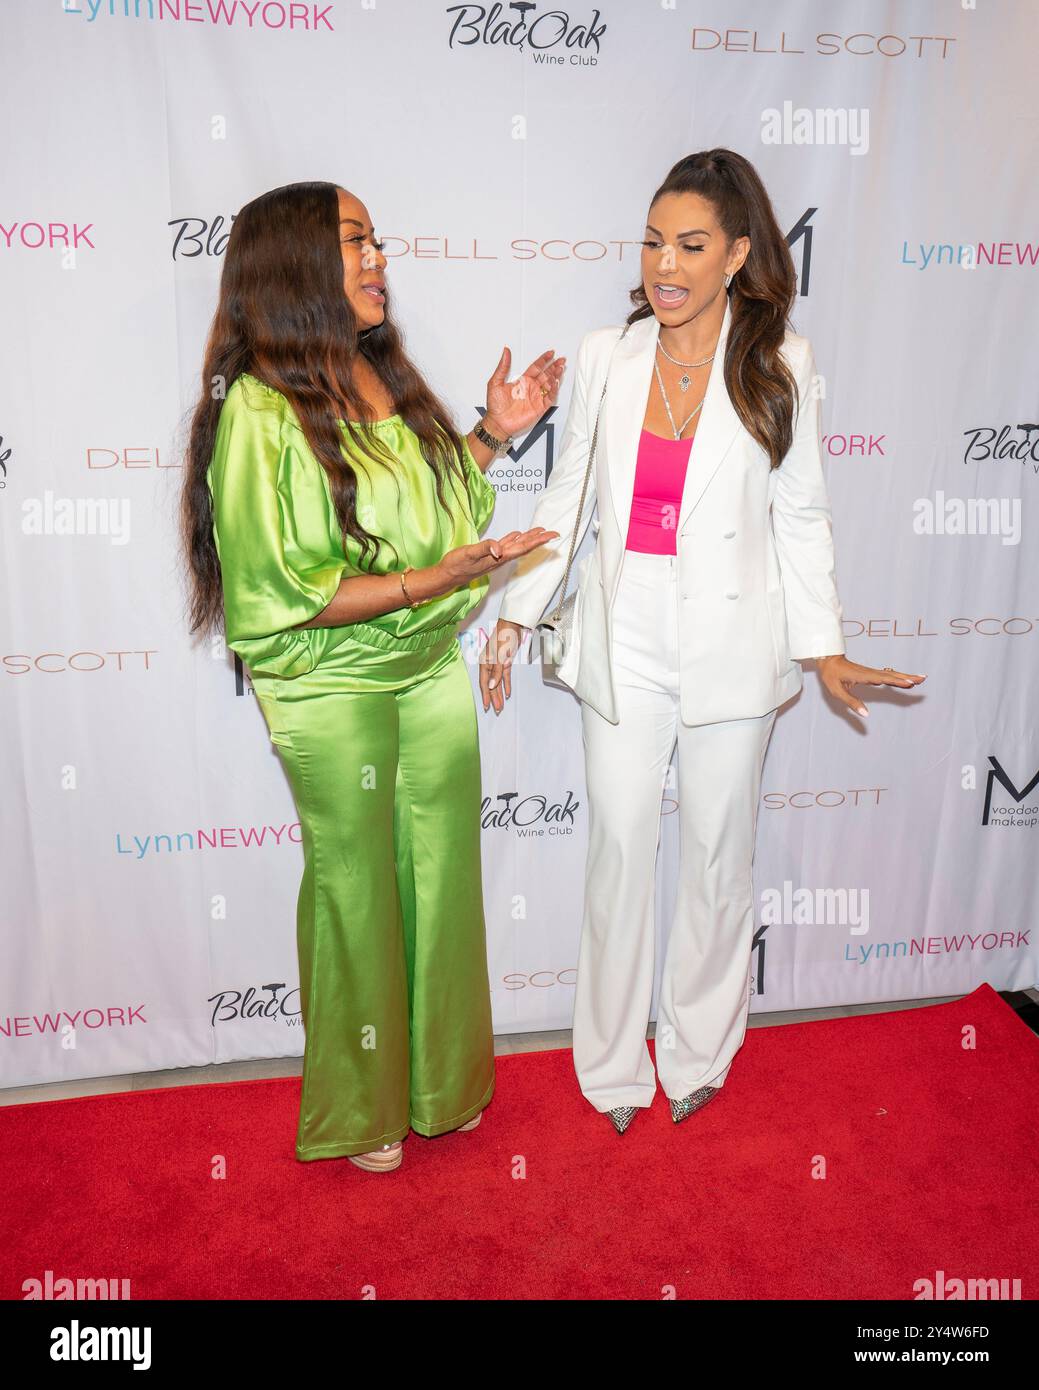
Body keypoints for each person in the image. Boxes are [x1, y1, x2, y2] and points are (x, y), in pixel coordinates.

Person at [479, 149, 926, 1134]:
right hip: (624, 633)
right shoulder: (607, 354)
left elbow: (801, 515)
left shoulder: (782, 364)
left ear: (736, 254)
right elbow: (569, 499)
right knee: (619, 847)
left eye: (688, 246)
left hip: (733, 644)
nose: (663, 266)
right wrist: (515, 612)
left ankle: (697, 1047)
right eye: (651, 243)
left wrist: (823, 647)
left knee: (720, 853)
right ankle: (607, 1065)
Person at [181, 181, 561, 1171]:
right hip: (327, 683)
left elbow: (433, 518)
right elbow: (281, 593)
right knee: (357, 888)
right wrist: (433, 579)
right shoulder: (259, 411)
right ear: (297, 264)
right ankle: (362, 1108)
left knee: (441, 879)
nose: (378, 256)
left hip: (426, 669)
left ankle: (442, 1085)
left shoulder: (382, 376)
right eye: (355, 241)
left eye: (376, 239)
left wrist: (490, 434)